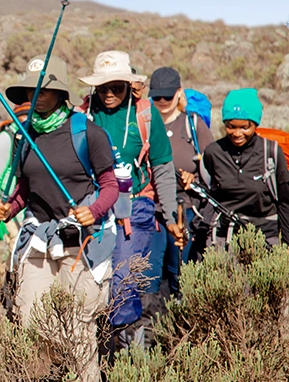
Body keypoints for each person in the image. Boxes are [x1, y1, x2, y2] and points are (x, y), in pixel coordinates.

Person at [0, 55, 118, 382]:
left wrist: (94, 209)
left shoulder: (87, 133)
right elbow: (24, 190)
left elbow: (110, 185)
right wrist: (9, 208)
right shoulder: (24, 135)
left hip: (82, 240)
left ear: (61, 93)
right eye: (30, 91)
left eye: (43, 90)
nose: (36, 96)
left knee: (78, 325)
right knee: (30, 319)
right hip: (38, 238)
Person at [79, 51, 184, 349]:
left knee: (124, 280)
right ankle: (98, 351)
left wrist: (169, 216)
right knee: (92, 282)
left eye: (117, 87)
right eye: (103, 88)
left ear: (129, 85)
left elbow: (162, 170)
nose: (109, 94)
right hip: (94, 208)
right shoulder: (83, 115)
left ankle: (130, 357)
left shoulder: (145, 115)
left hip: (134, 207)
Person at [203, 89, 289, 246]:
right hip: (224, 237)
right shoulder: (213, 152)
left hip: (265, 236)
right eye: (230, 127)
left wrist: (286, 243)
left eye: (244, 127)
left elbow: (285, 200)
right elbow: (207, 196)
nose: (237, 133)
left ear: (255, 124)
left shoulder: (271, 152)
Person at [149, 68, 214, 270]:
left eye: (167, 95)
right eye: (156, 96)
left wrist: (194, 178)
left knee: (180, 272)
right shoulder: (143, 125)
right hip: (150, 211)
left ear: (179, 92)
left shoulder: (193, 125)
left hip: (185, 210)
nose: (162, 100)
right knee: (150, 275)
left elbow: (214, 168)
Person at [0, 101, 30, 245]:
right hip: (7, 210)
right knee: (17, 252)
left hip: (26, 212)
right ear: (16, 116)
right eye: (24, 116)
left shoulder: (30, 137)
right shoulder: (5, 140)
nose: (29, 119)